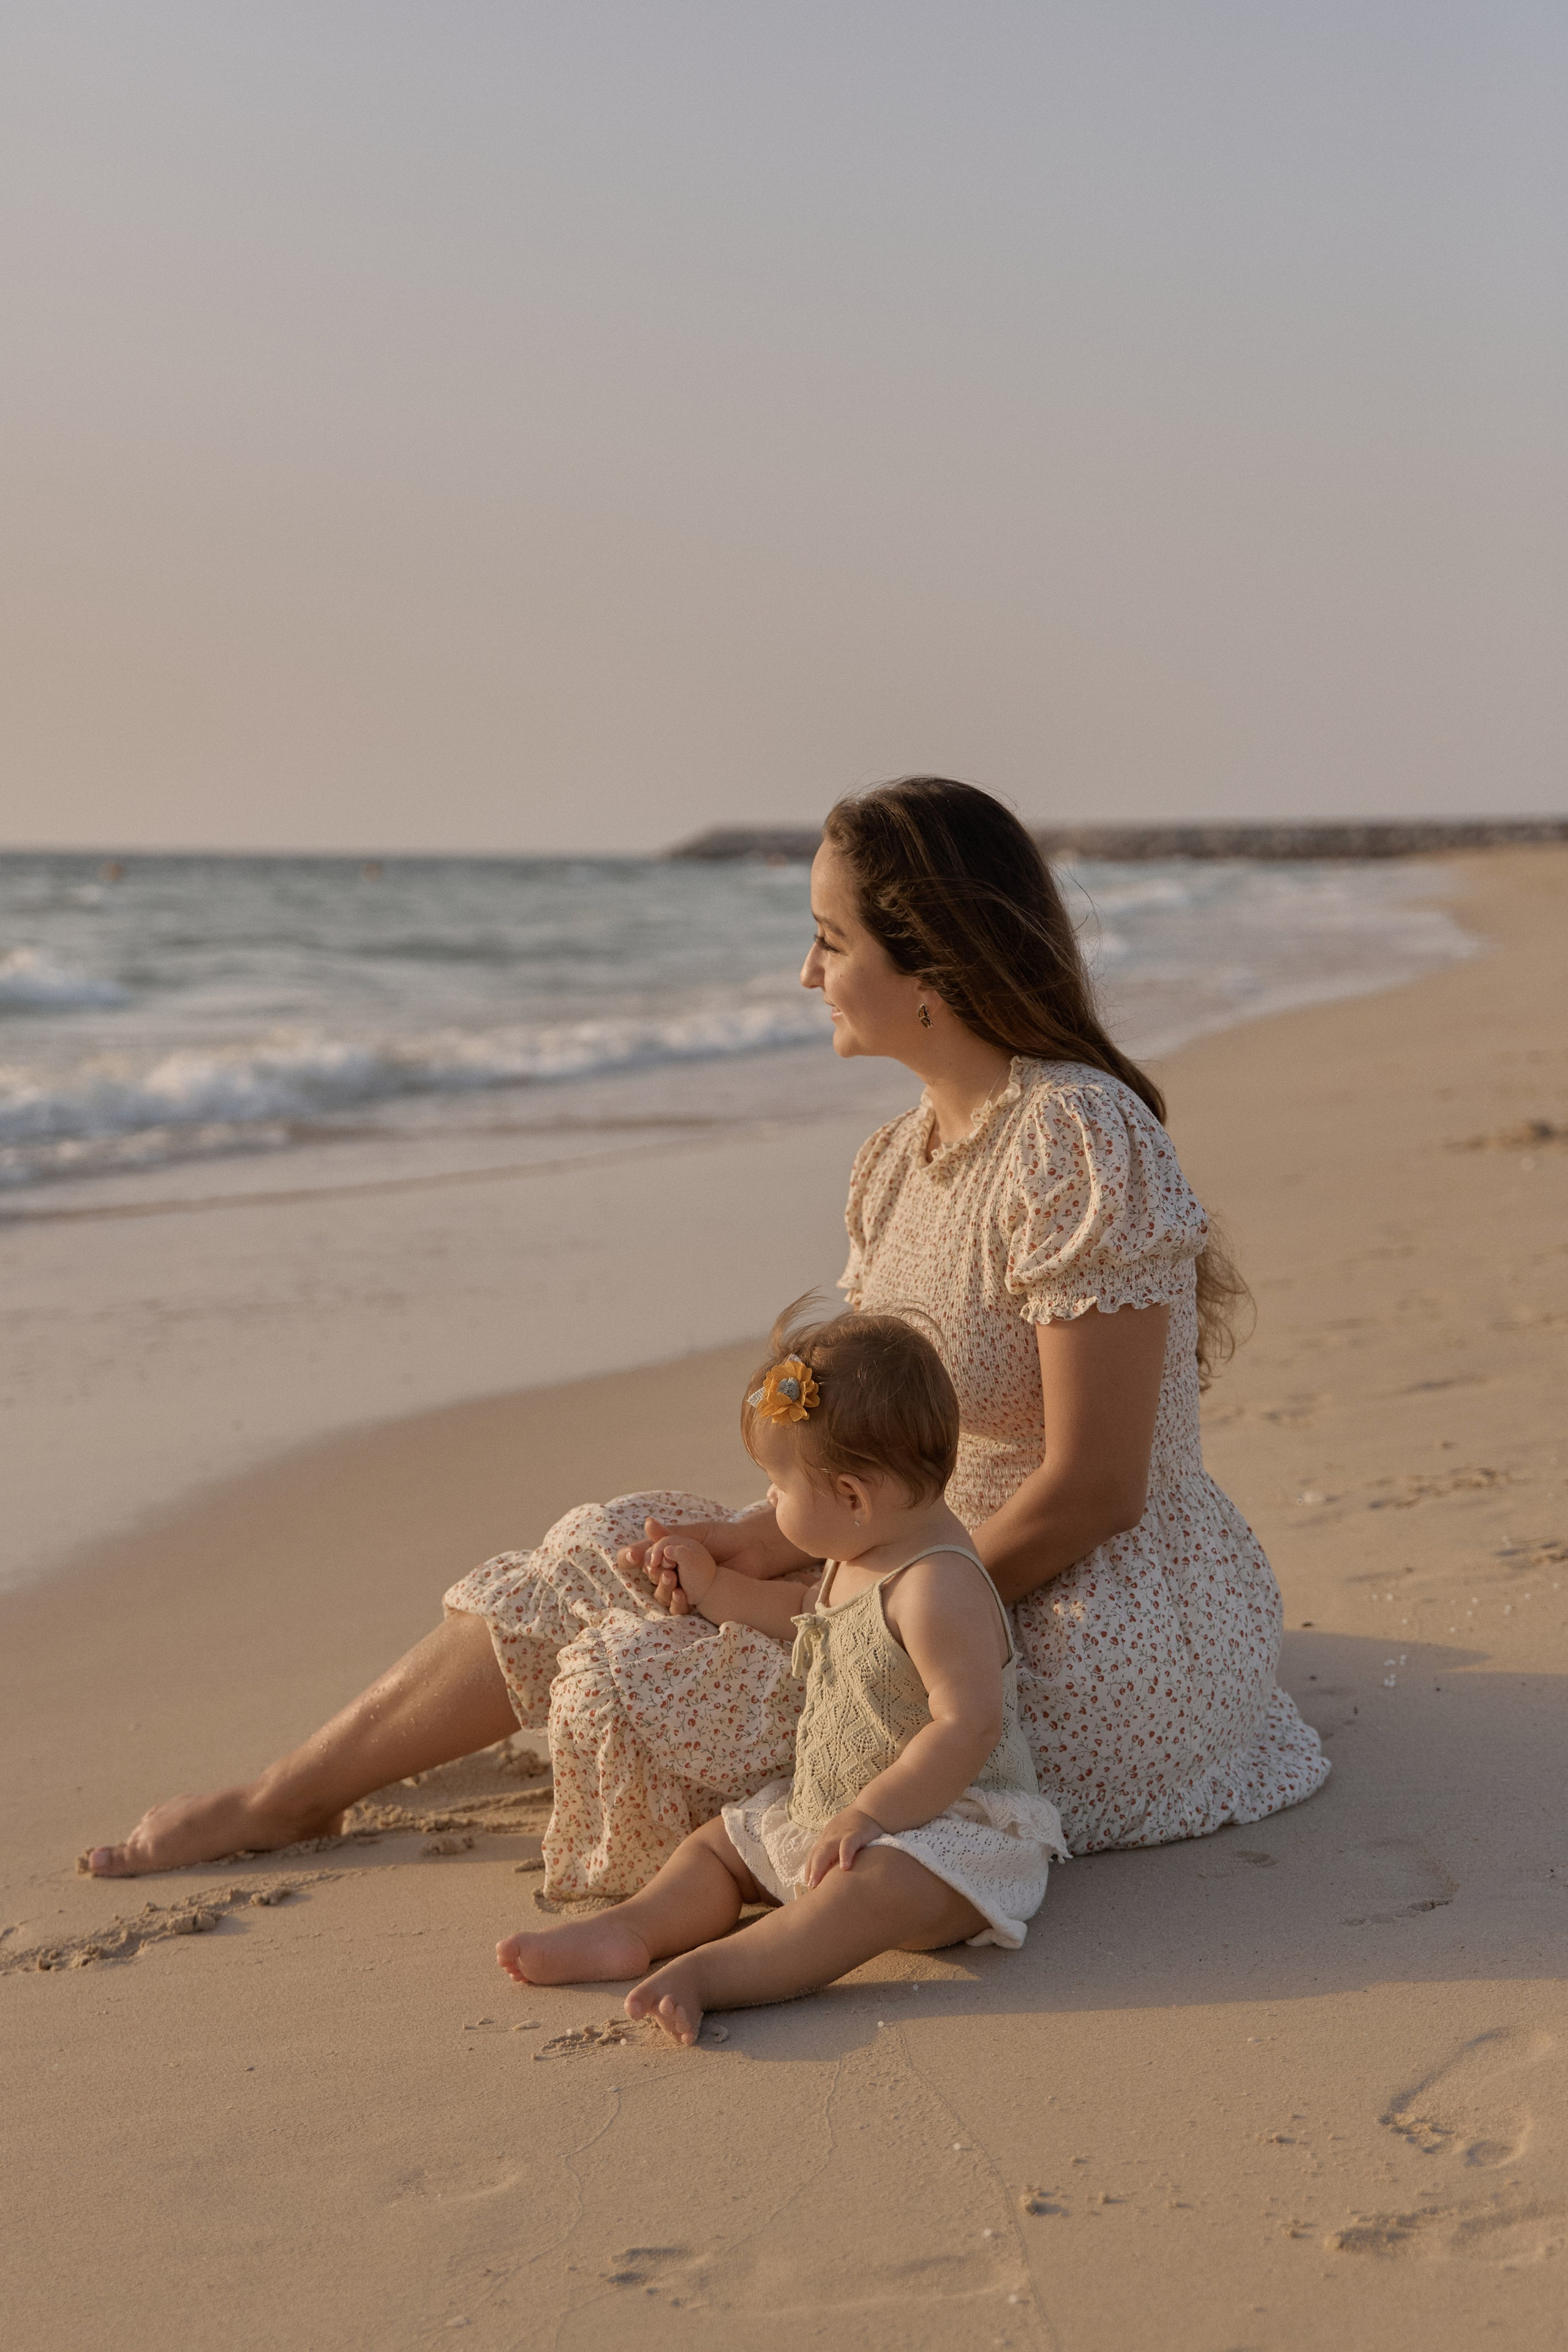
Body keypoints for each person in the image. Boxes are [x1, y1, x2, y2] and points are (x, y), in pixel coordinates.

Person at [85, 777, 1327, 1888]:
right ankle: (293, 1794)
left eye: (828, 941)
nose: (804, 974)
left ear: (928, 970)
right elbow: (870, 1438)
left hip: (1084, 1626)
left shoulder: (1075, 1134)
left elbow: (1095, 1489)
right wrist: (747, 1540)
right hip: (908, 1540)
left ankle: (349, 1798)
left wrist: (860, 1615)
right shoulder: (892, 1163)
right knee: (615, 1542)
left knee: (651, 1667)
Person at [496, 1310, 1067, 2045]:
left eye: (776, 1485)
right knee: (717, 1847)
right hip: (833, 1810)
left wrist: (873, 1815)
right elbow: (803, 1613)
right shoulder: (862, 1551)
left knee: (871, 1893)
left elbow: (968, 1724)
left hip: (949, 1833)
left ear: (853, 1497)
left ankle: (716, 1973)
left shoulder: (936, 1588)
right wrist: (708, 1589)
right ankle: (630, 1930)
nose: (768, 1502)